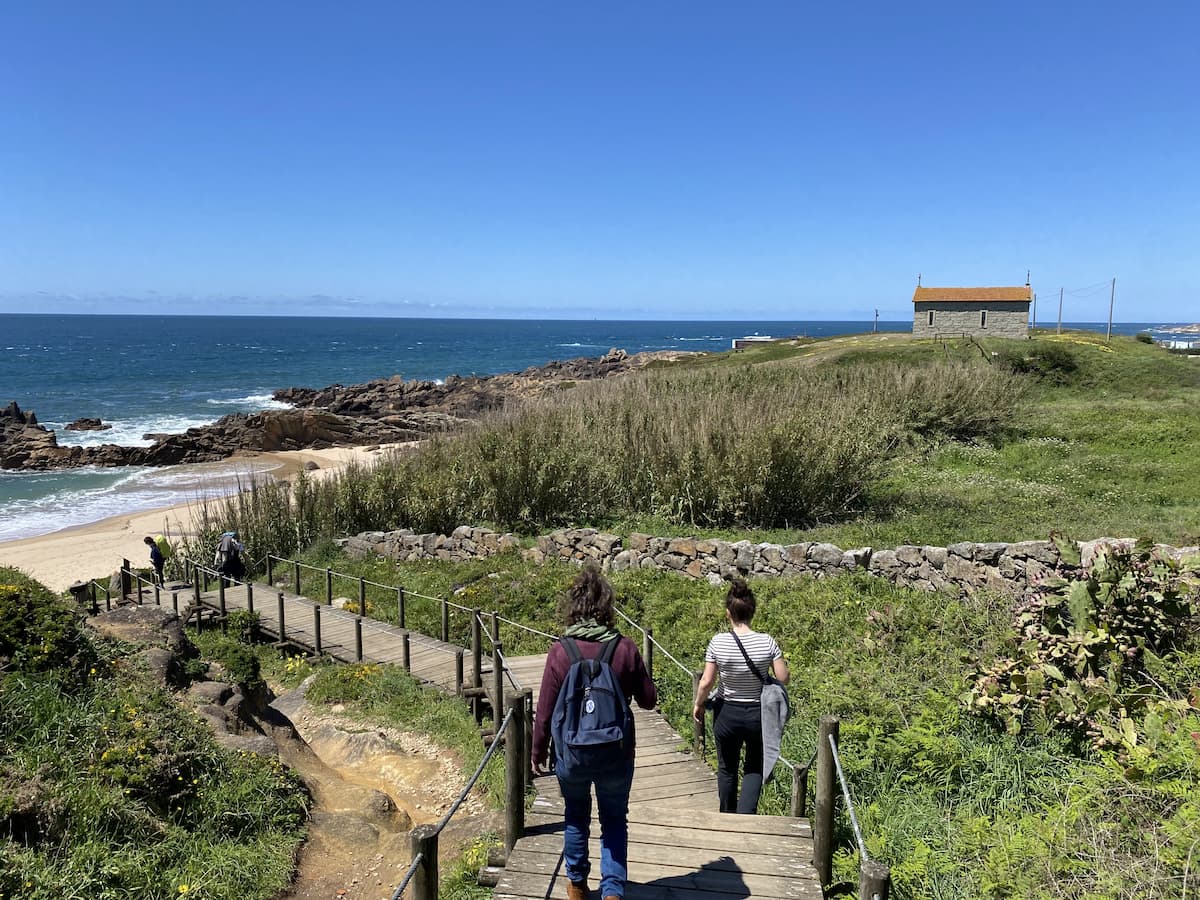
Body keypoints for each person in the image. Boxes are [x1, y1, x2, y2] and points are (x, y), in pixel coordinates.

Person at [532, 566, 657, 900]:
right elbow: (648, 700)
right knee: (614, 819)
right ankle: (613, 891)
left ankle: (576, 886)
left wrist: (537, 753)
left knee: (575, 815)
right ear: (607, 607)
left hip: (571, 754)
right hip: (616, 753)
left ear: (573, 607)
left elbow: (544, 711)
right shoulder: (625, 648)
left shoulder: (561, 651)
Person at [692, 578, 790, 814]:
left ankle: (727, 815)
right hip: (758, 714)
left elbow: (706, 681)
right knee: (754, 766)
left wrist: (699, 704)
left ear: (728, 613)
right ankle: (746, 817)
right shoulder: (767, 642)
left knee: (727, 768)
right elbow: (783, 677)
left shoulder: (718, 642)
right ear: (752, 611)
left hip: (727, 712)